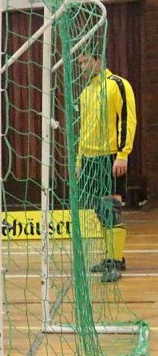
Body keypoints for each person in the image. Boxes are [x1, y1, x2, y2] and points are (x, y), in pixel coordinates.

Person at [77, 51, 137, 283]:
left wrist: (122, 155)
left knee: (111, 209)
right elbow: (84, 128)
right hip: (90, 158)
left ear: (99, 60)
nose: (82, 67)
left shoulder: (117, 85)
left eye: (85, 61)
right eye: (80, 63)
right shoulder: (86, 91)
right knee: (100, 211)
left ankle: (115, 261)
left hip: (110, 156)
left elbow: (127, 119)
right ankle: (112, 256)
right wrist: (80, 160)